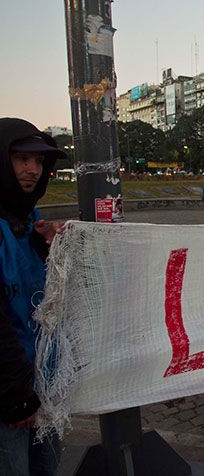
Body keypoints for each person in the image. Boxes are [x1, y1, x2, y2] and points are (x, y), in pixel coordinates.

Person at [1, 117, 66, 474]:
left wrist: (49, 250)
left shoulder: (30, 222)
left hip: (41, 386)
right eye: (22, 159)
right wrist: (15, 396)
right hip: (10, 399)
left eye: (39, 161)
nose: (33, 170)